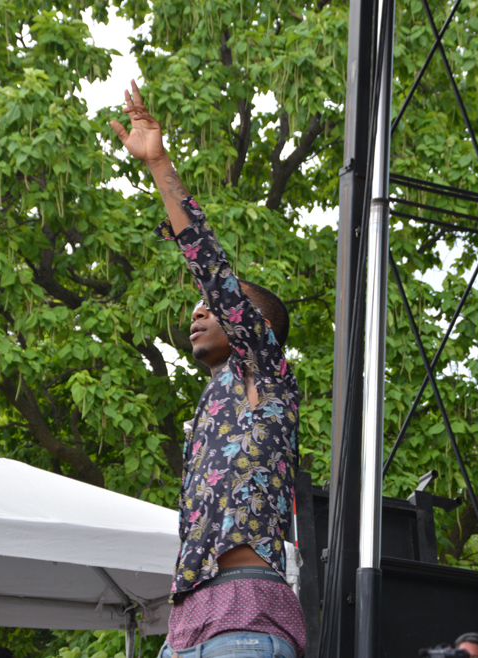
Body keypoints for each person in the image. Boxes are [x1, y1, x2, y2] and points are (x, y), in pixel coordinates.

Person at [111, 81, 305, 658]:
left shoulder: (264, 373)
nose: (198, 311)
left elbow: (209, 266)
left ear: (253, 325)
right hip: (188, 624)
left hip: (244, 621)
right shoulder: (217, 396)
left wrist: (160, 165)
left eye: (213, 307)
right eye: (197, 307)